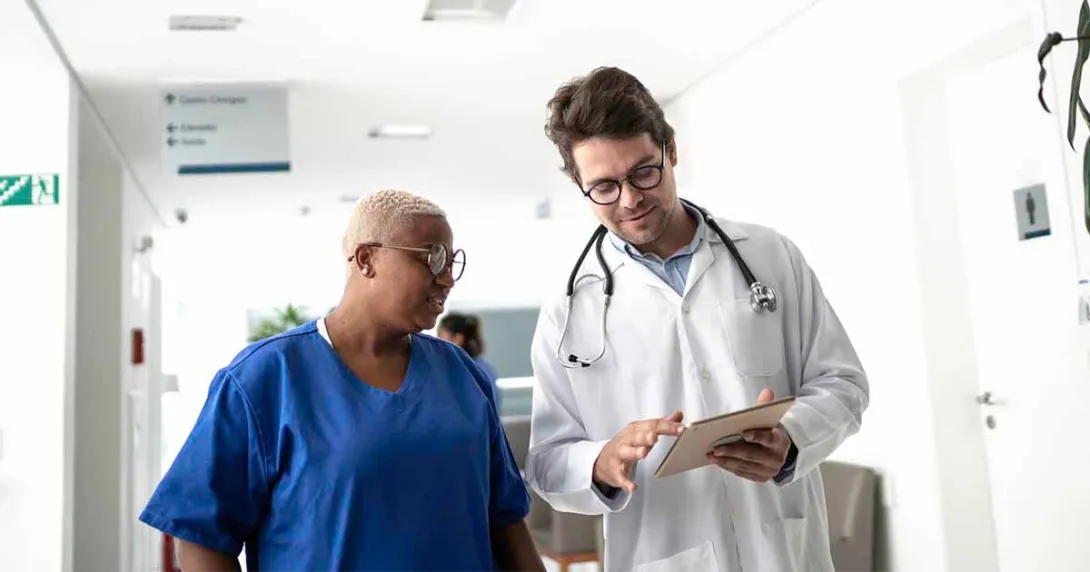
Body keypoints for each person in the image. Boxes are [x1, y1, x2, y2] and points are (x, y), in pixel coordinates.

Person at [524, 67, 870, 572]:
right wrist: (600, 461)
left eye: (644, 172)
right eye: (603, 186)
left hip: (783, 551)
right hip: (664, 554)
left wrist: (792, 440)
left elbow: (844, 383)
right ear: (580, 185)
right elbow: (547, 462)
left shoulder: (770, 256)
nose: (630, 199)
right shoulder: (569, 308)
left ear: (671, 150)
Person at [139, 189, 544, 571]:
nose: (447, 279)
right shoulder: (266, 378)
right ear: (366, 258)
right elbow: (199, 536)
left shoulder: (461, 376)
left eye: (452, 261)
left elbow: (505, 523)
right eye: (432, 257)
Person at [438, 312, 503, 413]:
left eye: (441, 337)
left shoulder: (463, 371)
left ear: (457, 339)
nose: (437, 343)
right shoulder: (484, 367)